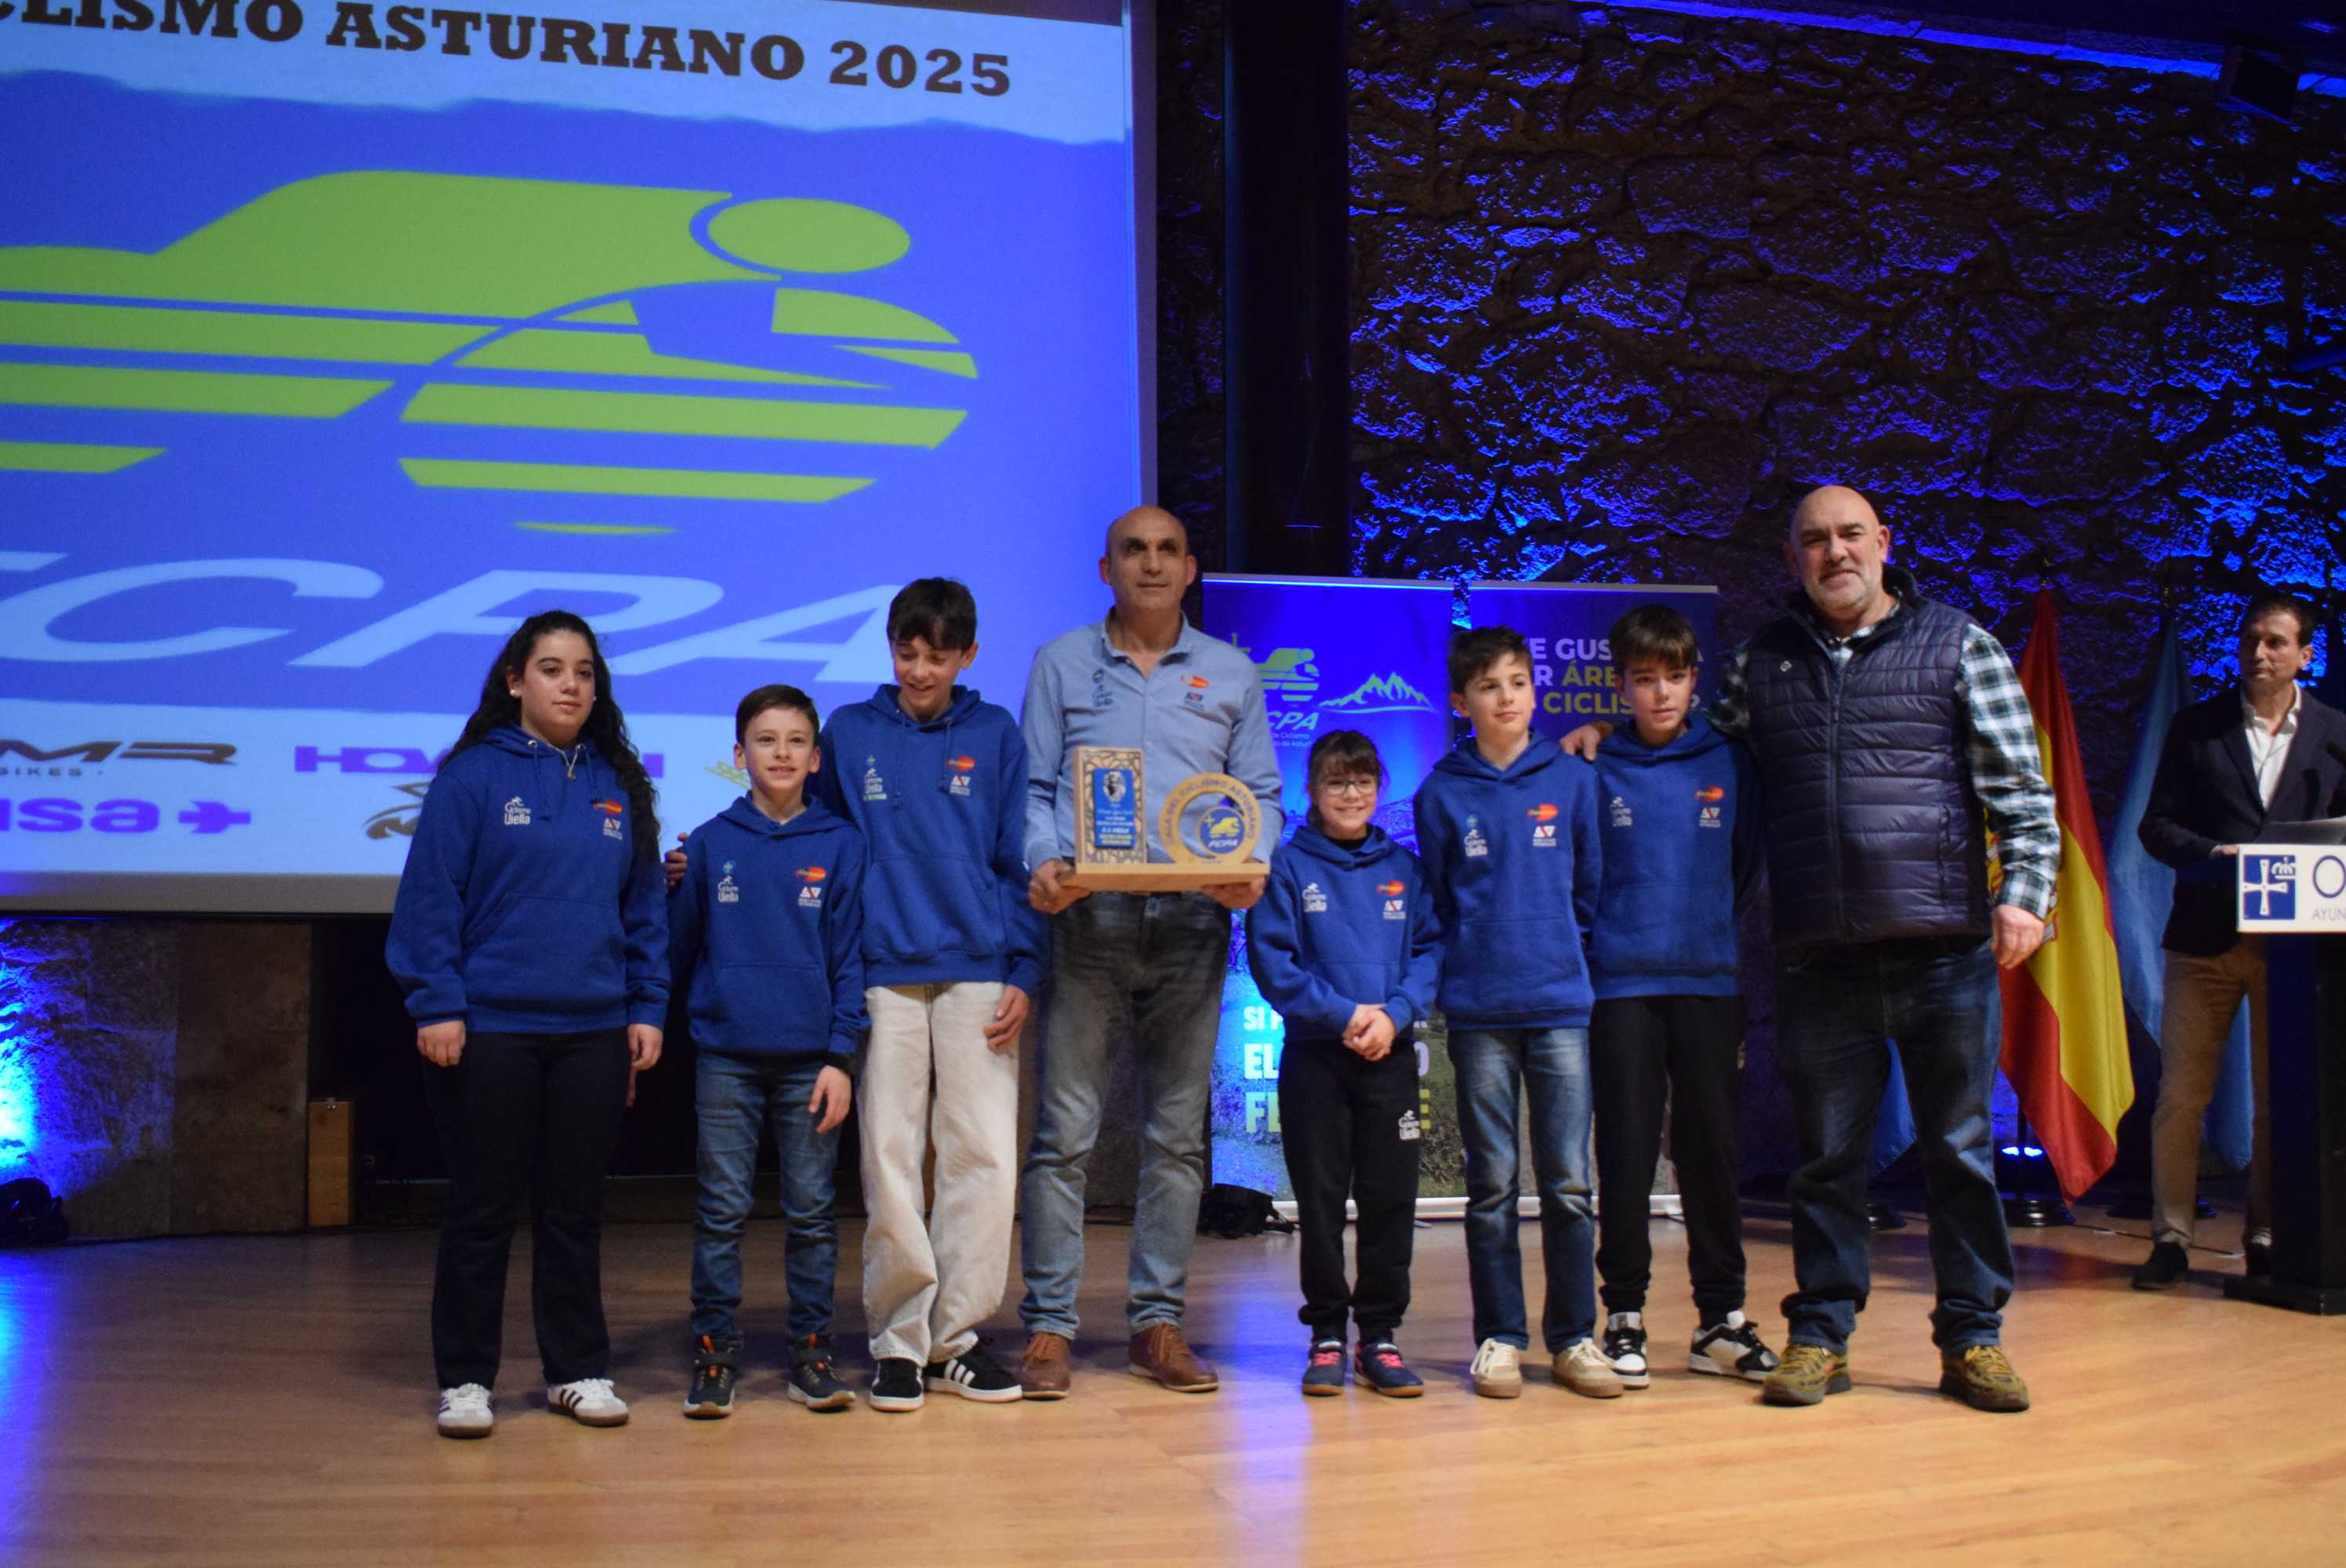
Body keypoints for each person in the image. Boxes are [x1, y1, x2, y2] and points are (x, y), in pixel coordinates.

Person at [1563, 484, 2057, 1414]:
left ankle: (1973, 1338)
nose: (1834, 552)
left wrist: (2024, 901)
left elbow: (2025, 799)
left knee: (1959, 1151)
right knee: (1826, 1158)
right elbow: (1682, 747)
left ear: (1882, 543)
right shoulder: (1760, 666)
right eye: (1814, 540)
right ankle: (1820, 1333)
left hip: (1942, 950)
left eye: (1849, 535)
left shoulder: (1959, 645)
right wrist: (1603, 735)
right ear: (1794, 558)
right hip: (1819, 958)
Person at [1015, 505, 1283, 1399]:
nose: (1152, 564)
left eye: (1168, 550)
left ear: (1191, 567)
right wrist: (1044, 858)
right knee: (1063, 1137)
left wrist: (1253, 865)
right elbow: (1038, 788)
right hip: (1087, 926)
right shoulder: (1060, 662)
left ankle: (1156, 1324)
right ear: (1107, 568)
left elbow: (1263, 796)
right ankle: (1049, 1329)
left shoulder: (1230, 672)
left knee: (1175, 1140)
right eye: (1135, 550)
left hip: (1191, 927)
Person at [385, 609, 667, 1440]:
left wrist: (645, 1005)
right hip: (489, 1027)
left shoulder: (620, 784)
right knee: (480, 1209)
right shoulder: (470, 777)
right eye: (551, 668)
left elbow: (644, 908)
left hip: (592, 1029)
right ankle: (467, 1378)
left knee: (573, 1211)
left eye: (584, 670)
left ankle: (576, 1370)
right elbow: (430, 896)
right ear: (516, 679)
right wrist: (436, 1000)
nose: (571, 683)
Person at [812, 579, 1044, 1409]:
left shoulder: (995, 733)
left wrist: (1023, 968)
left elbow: (1018, 857)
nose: (919, 668)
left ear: (968, 655)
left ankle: (958, 1337)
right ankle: (899, 1341)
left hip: (980, 969)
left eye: (937, 654)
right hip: (883, 971)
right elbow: (822, 848)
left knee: (981, 1154)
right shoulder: (848, 733)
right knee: (889, 1155)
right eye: (906, 651)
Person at [1414, 624, 1618, 1402]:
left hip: (1560, 1006)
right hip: (1477, 1014)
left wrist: (1569, 956)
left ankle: (1574, 1336)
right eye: (1488, 686)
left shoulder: (1569, 779)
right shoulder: (1441, 792)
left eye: (1517, 681)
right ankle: (1499, 1334)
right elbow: (1433, 905)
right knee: (1491, 1182)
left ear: (1536, 690)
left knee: (1568, 1181)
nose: (1506, 697)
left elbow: (1590, 887)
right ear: (1462, 702)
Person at [1583, 604, 1776, 1389]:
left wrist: (1694, 933)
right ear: (1621, 684)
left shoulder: (1732, 762)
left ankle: (1718, 1321)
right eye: (1643, 679)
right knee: (1625, 1152)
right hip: (1620, 985)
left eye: (1673, 676)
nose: (1659, 693)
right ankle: (1623, 1315)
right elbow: (1580, 875)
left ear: (1695, 678)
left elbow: (1743, 867)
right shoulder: (1594, 764)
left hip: (1707, 980)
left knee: (1710, 1151)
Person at [2132, 590, 2346, 1290]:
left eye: (2276, 643)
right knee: (2181, 1095)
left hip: (2292, 953)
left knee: (2276, 1100)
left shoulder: (2336, 736)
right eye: (2251, 640)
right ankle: (2170, 1238)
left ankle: (2264, 1232)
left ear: (2304, 657)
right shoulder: (2199, 728)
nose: (2259, 654)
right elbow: (2155, 827)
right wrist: (2216, 854)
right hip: (2204, 939)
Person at [666, 684, 866, 1417]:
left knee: (812, 1213)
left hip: (812, 1062)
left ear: (816, 758)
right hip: (725, 1058)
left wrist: (840, 1056)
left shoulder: (842, 843)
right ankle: (714, 1356)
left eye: (793, 742)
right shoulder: (710, 843)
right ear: (738, 755)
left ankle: (812, 1355)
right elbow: (676, 947)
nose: (779, 754)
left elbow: (851, 960)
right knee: (720, 1211)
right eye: (764, 740)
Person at [1244, 730, 1442, 1398]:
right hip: (1315, 1058)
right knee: (1321, 1203)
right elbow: (1277, 966)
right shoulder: (1288, 867)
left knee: (1391, 1201)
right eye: (1336, 783)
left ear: (1379, 789)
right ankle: (1328, 1334)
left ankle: (1380, 1336)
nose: (1351, 794)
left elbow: (1429, 954)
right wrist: (1345, 1016)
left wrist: (1394, 1013)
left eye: (1362, 782)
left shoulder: (1407, 871)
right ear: (1313, 793)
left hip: (1389, 1053)